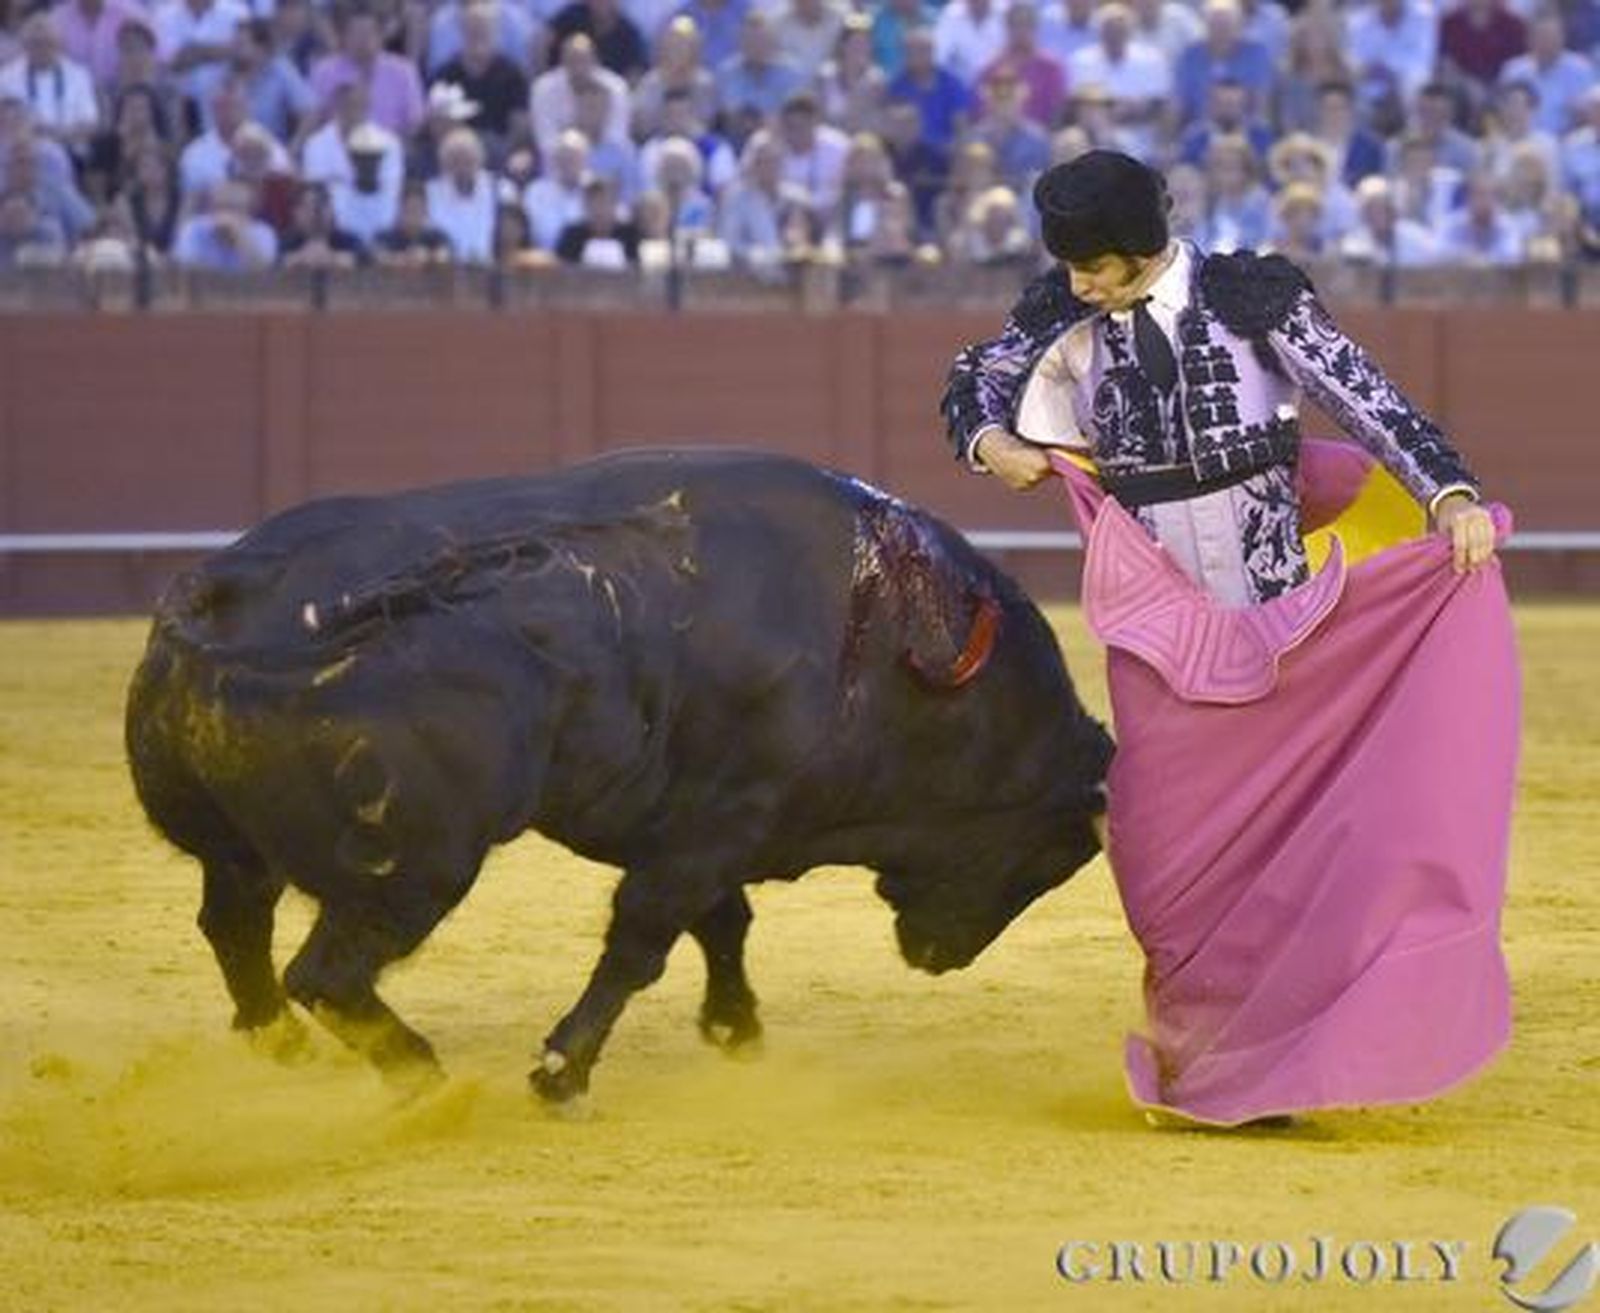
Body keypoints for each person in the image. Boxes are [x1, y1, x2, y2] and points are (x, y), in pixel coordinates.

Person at [941, 150, 1513, 1129]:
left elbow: (1366, 399)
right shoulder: (1059, 313)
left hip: (1282, 621)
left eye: (1095, 268)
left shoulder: (1251, 296)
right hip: (1156, 628)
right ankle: (1205, 1055)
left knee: (1308, 847)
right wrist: (993, 444)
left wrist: (1448, 493)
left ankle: (1286, 1057)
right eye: (1071, 268)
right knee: (1162, 856)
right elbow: (973, 385)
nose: (1081, 285)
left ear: (1140, 248)